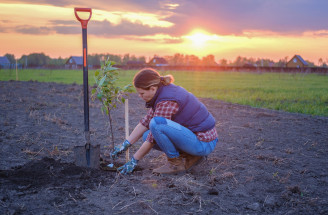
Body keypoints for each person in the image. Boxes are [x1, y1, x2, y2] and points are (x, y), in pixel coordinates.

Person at [111, 68, 218, 175]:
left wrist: (134, 160)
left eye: (142, 93)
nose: (140, 96)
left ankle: (175, 164)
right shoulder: (162, 92)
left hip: (203, 143)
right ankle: (191, 156)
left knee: (156, 125)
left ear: (152, 88)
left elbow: (153, 135)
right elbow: (146, 122)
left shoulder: (166, 101)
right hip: (196, 138)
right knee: (146, 134)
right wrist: (125, 144)